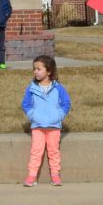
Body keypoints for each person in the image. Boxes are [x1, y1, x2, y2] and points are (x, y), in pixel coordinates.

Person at [22, 54, 71, 187]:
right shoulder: (32, 88)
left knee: (53, 151)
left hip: (54, 126)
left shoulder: (58, 88)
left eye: (39, 69)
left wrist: (58, 115)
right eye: (34, 69)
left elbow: (66, 104)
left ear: (49, 71)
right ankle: (32, 176)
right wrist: (33, 116)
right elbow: (26, 104)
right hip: (38, 126)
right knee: (36, 151)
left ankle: (55, 175)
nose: (35, 72)